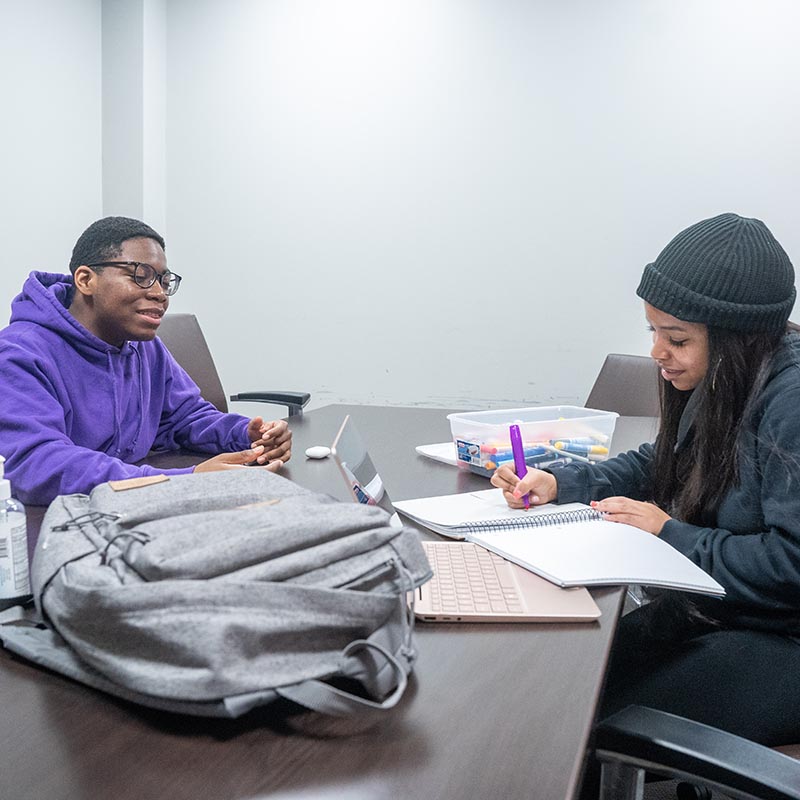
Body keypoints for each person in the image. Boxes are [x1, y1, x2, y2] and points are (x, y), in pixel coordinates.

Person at [492, 213, 800, 748]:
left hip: (782, 637)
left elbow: (791, 564)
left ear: (738, 339)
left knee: (586, 720)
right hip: (726, 608)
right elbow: (662, 461)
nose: (657, 352)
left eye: (676, 338)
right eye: (653, 331)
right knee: (569, 675)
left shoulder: (790, 405)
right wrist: (564, 483)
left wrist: (669, 534)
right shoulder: (729, 377)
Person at [0, 216, 292, 507]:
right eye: (140, 275)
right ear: (86, 280)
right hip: (50, 526)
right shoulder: (20, 352)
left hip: (125, 511)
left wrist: (247, 435)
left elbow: (186, 416)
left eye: (164, 281)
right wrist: (181, 481)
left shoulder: (144, 347)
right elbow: (37, 463)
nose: (159, 294)